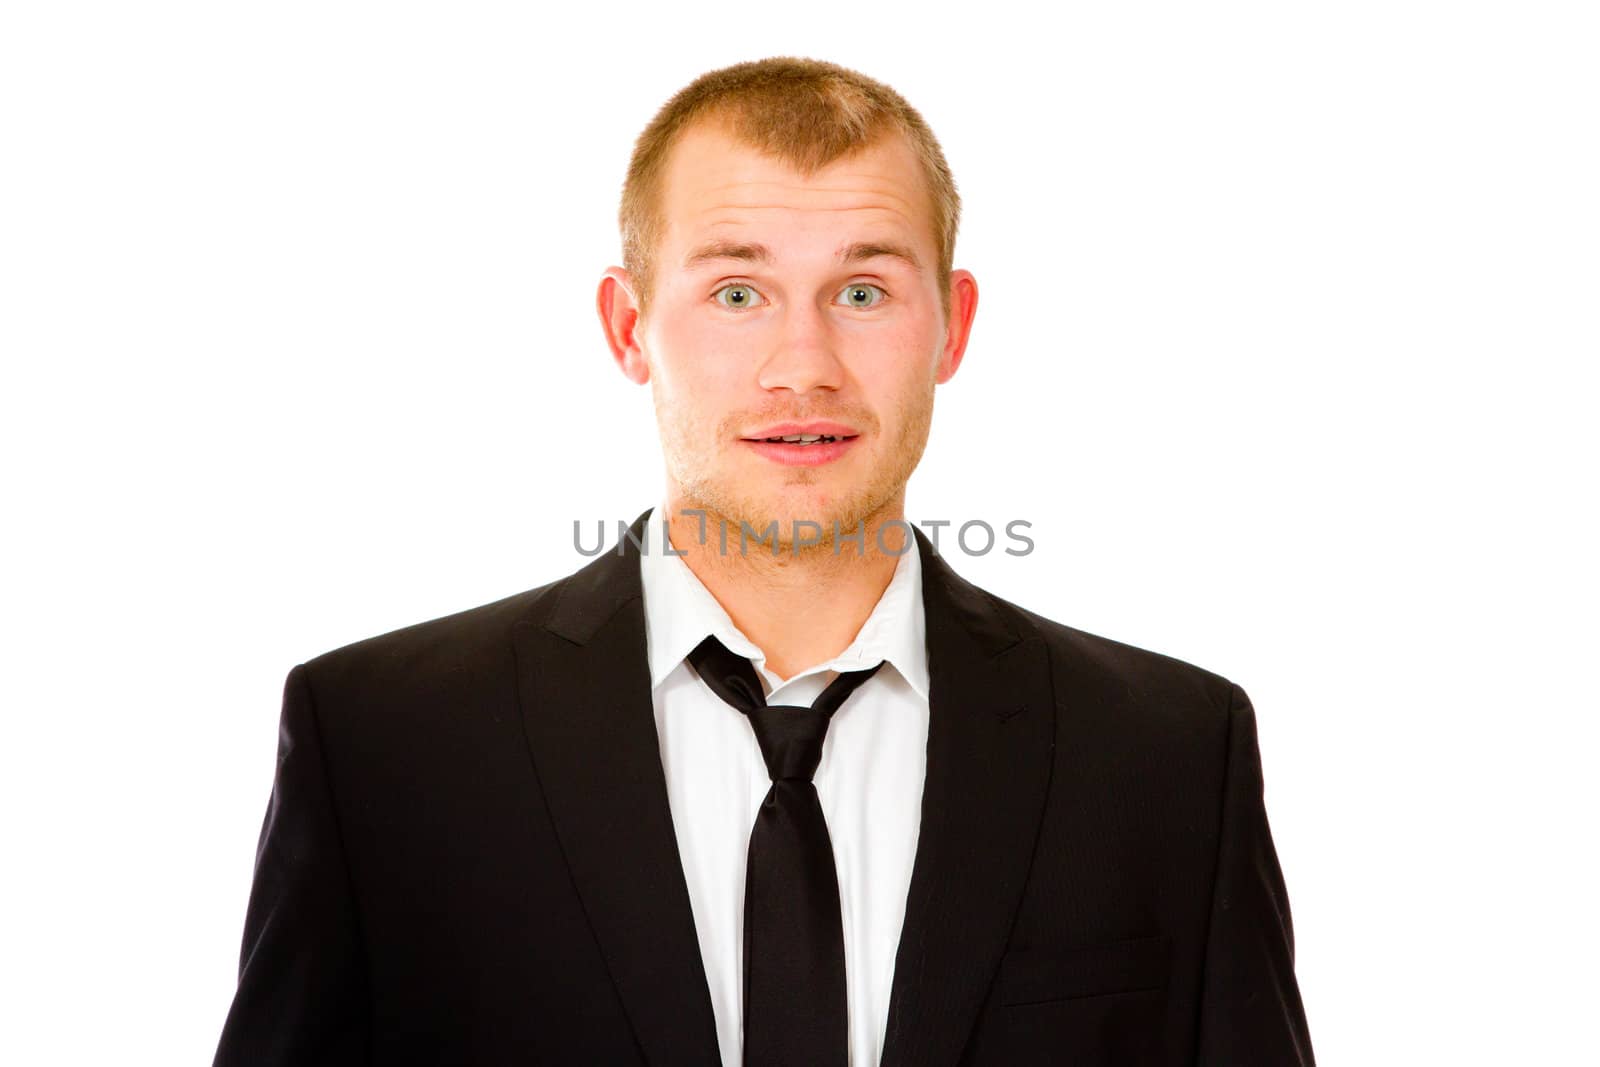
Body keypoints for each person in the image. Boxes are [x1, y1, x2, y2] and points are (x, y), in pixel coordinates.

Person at [213, 56, 1314, 1066]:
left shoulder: (1169, 753)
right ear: (628, 325)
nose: (804, 364)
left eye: (864, 291)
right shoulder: (381, 743)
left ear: (952, 326)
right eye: (737, 292)